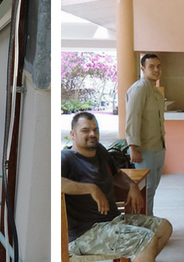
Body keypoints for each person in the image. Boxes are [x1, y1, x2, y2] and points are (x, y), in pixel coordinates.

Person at [61, 112, 173, 262]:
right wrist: (91, 188)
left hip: (113, 221)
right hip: (86, 233)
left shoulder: (100, 151)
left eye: (95, 129)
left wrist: (132, 186)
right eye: (85, 130)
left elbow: (117, 174)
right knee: (146, 240)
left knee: (164, 228)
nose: (92, 134)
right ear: (73, 134)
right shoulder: (66, 158)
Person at [126, 54, 166, 215]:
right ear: (143, 69)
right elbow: (132, 118)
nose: (156, 70)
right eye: (151, 66)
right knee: (145, 188)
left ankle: (148, 216)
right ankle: (143, 220)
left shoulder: (155, 92)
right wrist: (133, 147)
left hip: (158, 148)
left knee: (152, 187)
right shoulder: (139, 88)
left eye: (158, 66)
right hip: (144, 150)